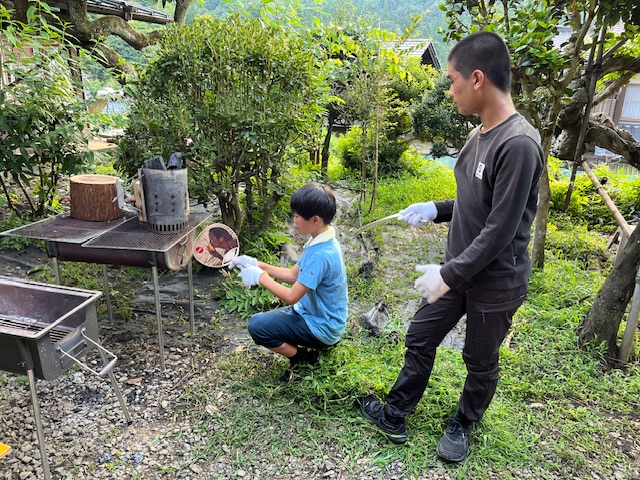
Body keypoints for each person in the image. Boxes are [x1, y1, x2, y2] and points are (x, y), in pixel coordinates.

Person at [360, 31, 544, 462]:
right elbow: (477, 201)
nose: (449, 90)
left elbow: (500, 229)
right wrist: (436, 209)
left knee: (479, 358)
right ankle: (395, 413)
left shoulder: (518, 144)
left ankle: (463, 421)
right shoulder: (479, 134)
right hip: (459, 269)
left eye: (452, 80)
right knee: (420, 335)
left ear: (477, 78)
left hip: (494, 281)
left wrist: (447, 274)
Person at [229, 182, 348, 381]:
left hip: (323, 327)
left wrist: (260, 277)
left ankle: (302, 359)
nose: (295, 219)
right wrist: (257, 263)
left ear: (315, 219)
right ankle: (303, 351)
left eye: (298, 216)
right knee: (263, 322)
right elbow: (292, 275)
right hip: (316, 315)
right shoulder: (322, 240)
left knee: (258, 326)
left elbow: (292, 296)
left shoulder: (321, 255)